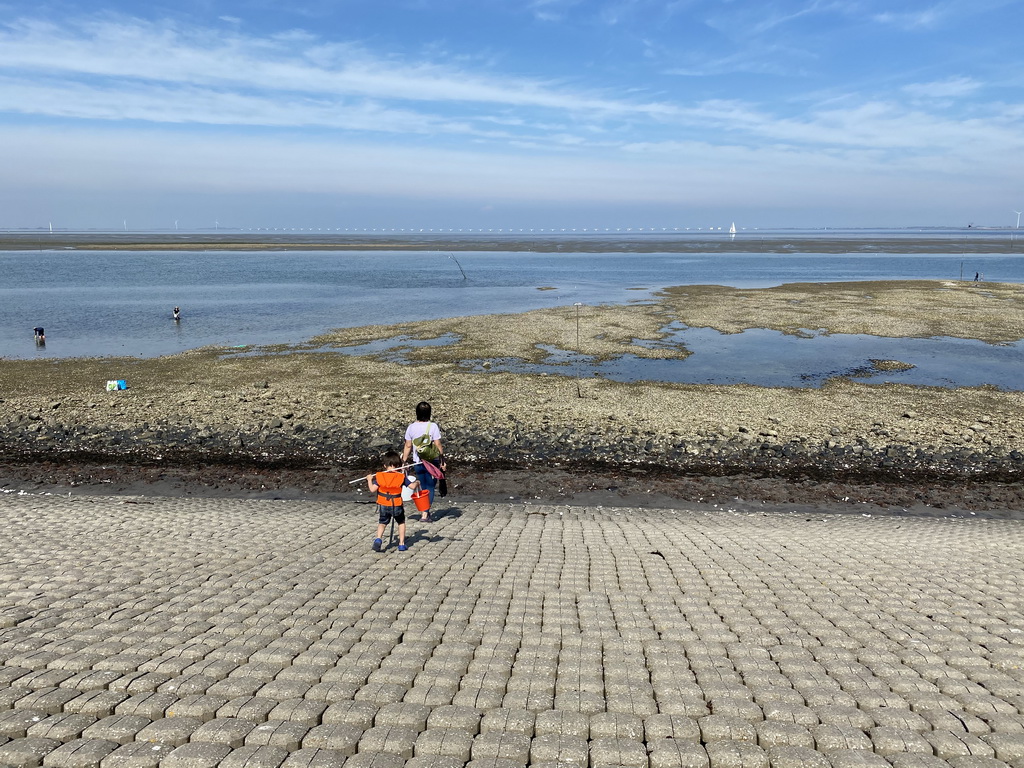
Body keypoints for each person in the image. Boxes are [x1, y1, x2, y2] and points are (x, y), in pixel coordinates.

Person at [367, 449, 417, 552]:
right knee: (401, 522)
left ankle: (378, 538)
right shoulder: (401, 477)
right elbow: (412, 487)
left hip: (383, 504)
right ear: (398, 465)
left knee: (382, 523)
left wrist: (369, 480)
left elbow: (372, 489)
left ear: (385, 466)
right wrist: (417, 482)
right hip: (397, 504)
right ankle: (402, 544)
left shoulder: (380, 476)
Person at [403, 401, 445, 523]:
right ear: (429, 413)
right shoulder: (433, 426)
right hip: (432, 462)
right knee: (430, 486)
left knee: (422, 486)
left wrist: (404, 461)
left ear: (417, 412)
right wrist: (442, 458)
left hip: (417, 462)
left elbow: (408, 446)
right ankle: (425, 513)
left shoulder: (411, 427)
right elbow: (437, 444)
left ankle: (424, 511)